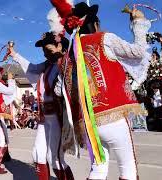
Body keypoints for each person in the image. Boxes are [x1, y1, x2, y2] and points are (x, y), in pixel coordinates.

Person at [50, 1, 152, 179]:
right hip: (114, 116)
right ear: (94, 23)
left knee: (98, 168)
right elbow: (137, 52)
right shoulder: (104, 38)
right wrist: (138, 24)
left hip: (88, 124)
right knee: (128, 167)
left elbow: (59, 91)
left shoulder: (66, 59)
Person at [9, 32, 74, 179]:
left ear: (59, 46)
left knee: (55, 158)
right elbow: (31, 67)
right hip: (45, 118)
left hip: (58, 118)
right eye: (43, 51)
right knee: (37, 153)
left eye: (48, 50)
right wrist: (15, 55)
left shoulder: (65, 64)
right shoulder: (46, 66)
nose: (45, 54)